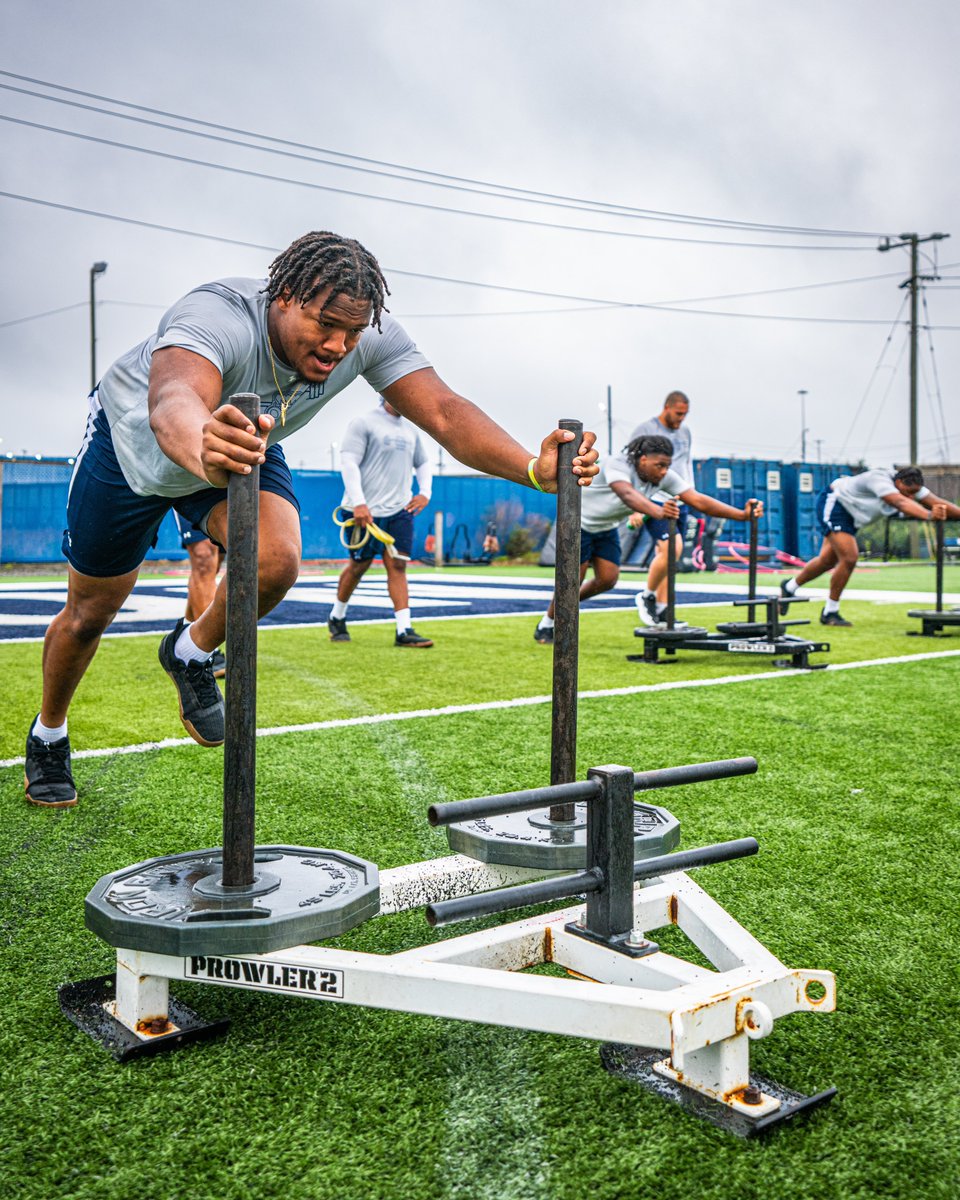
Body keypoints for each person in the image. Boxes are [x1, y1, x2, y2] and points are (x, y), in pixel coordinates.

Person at [24, 230, 599, 808]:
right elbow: (172, 397)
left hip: (244, 444)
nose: (339, 345)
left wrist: (531, 467)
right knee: (89, 614)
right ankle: (49, 733)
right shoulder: (217, 312)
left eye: (352, 330)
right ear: (283, 296)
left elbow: (446, 414)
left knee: (276, 561)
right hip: (137, 450)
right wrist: (204, 446)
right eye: (326, 325)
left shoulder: (367, 337)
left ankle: (191, 651)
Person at [534, 434, 761, 642]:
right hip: (578, 525)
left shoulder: (662, 476)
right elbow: (626, 493)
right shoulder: (618, 464)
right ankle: (548, 623)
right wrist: (658, 511)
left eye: (667, 466)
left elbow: (698, 500)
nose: (664, 471)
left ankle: (565, 605)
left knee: (607, 580)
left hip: (606, 528)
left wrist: (742, 515)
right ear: (642, 459)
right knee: (573, 582)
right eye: (659, 465)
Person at [779, 466, 957, 626]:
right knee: (849, 558)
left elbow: (938, 502)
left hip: (852, 517)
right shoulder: (879, 480)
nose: (911, 497)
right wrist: (928, 515)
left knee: (827, 561)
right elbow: (900, 503)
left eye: (915, 494)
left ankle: (789, 587)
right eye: (908, 492)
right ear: (899, 482)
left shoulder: (910, 487)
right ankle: (830, 612)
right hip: (836, 504)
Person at [328, 397, 434, 647]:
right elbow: (349, 462)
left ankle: (404, 630)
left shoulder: (411, 430)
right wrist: (359, 503)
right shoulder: (364, 422)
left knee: (397, 566)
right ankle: (337, 616)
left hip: (399, 510)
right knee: (359, 566)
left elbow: (424, 462)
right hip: (362, 511)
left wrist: (425, 493)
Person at [625, 391, 694, 623]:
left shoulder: (685, 432)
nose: (681, 419)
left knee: (667, 557)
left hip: (680, 500)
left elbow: (686, 463)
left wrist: (690, 494)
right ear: (666, 407)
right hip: (653, 499)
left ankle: (664, 611)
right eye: (678, 413)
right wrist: (636, 506)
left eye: (685, 414)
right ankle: (648, 596)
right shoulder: (645, 429)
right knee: (672, 548)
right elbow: (631, 468)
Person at [173, 512, 226, 676]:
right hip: (190, 488)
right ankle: (208, 652)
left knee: (216, 561)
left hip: (227, 491)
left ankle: (184, 637)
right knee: (203, 558)